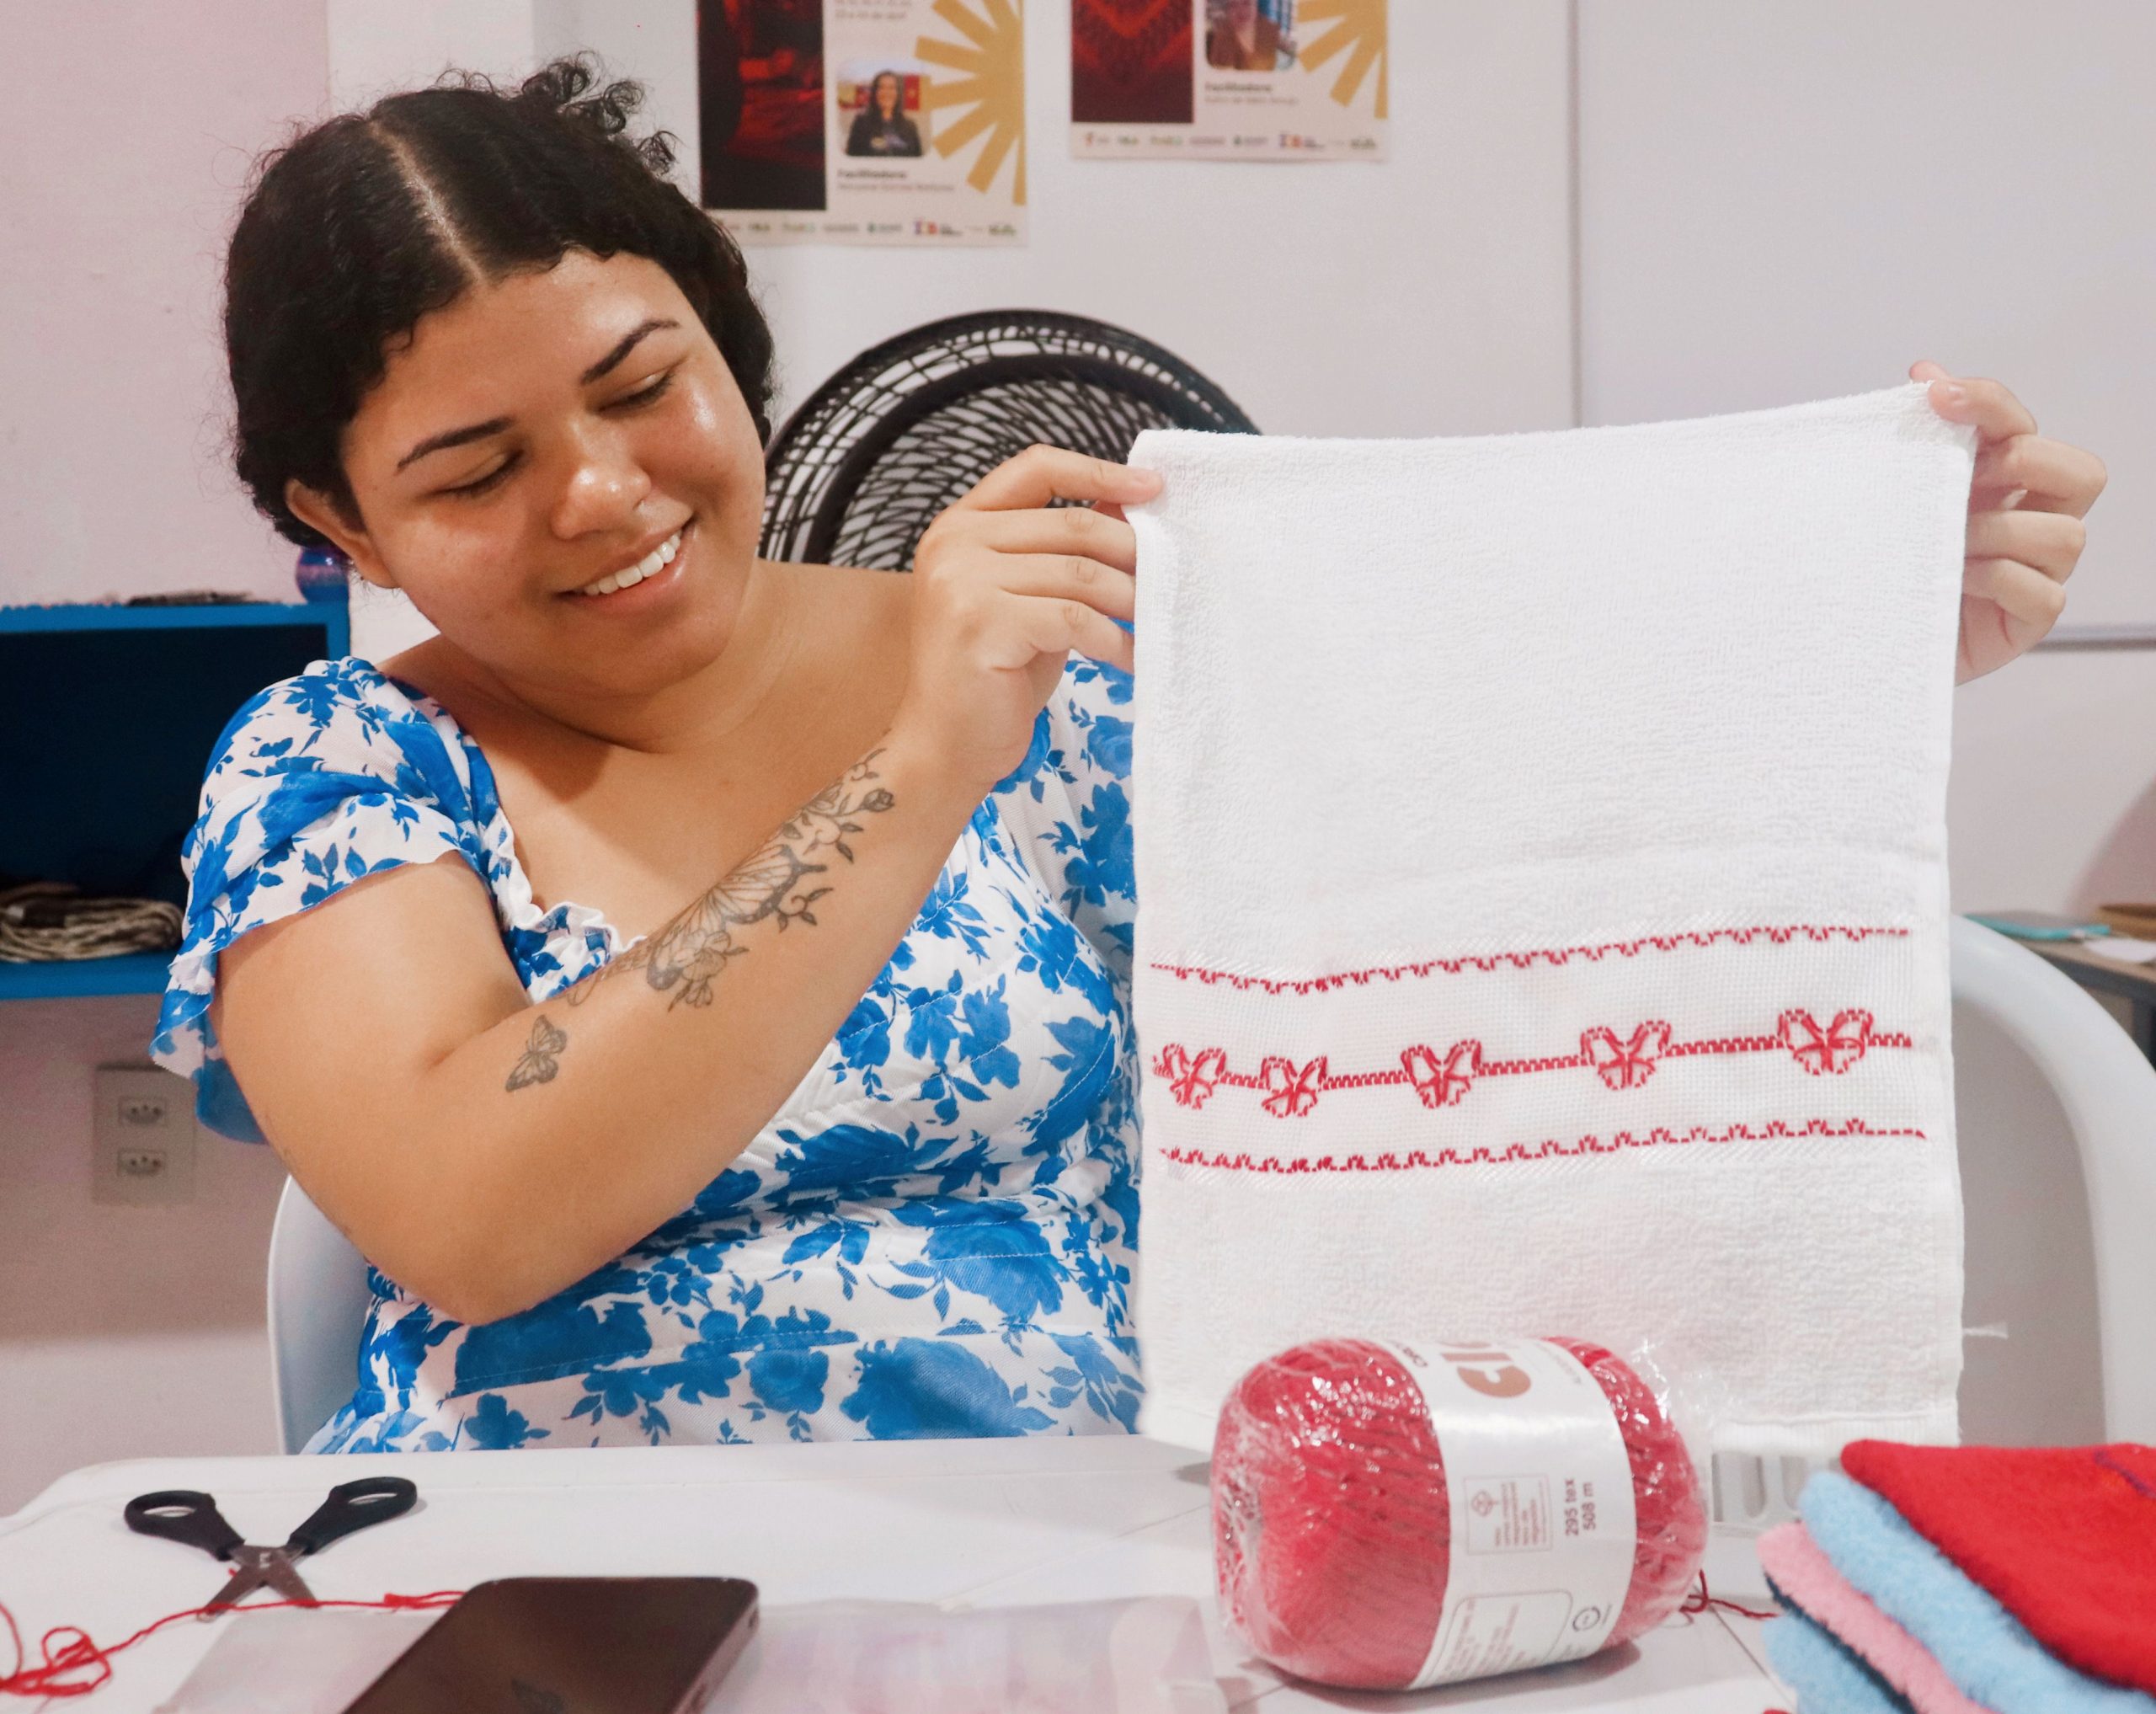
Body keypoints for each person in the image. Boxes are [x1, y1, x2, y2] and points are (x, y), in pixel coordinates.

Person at [152, 58, 2101, 1455]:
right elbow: (473, 1213)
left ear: (724, 344)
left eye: (640, 384)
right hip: (568, 1615)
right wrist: (915, 769)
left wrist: (1842, 642)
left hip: (1106, 1579)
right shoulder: (343, 762)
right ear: (341, 520)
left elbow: (1474, 880)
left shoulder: (1051, 650)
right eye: (475, 469)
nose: (597, 491)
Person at [845, 71, 921, 158]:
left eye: (892, 88)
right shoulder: (861, 124)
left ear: (899, 93)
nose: (886, 92)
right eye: (881, 87)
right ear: (875, 92)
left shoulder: (910, 126)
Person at [1206, 0, 1285, 72]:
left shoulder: (1270, 29)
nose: (1241, 11)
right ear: (1227, 10)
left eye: (1246, 3)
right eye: (1233, 5)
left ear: (1255, 5)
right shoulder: (1221, 36)